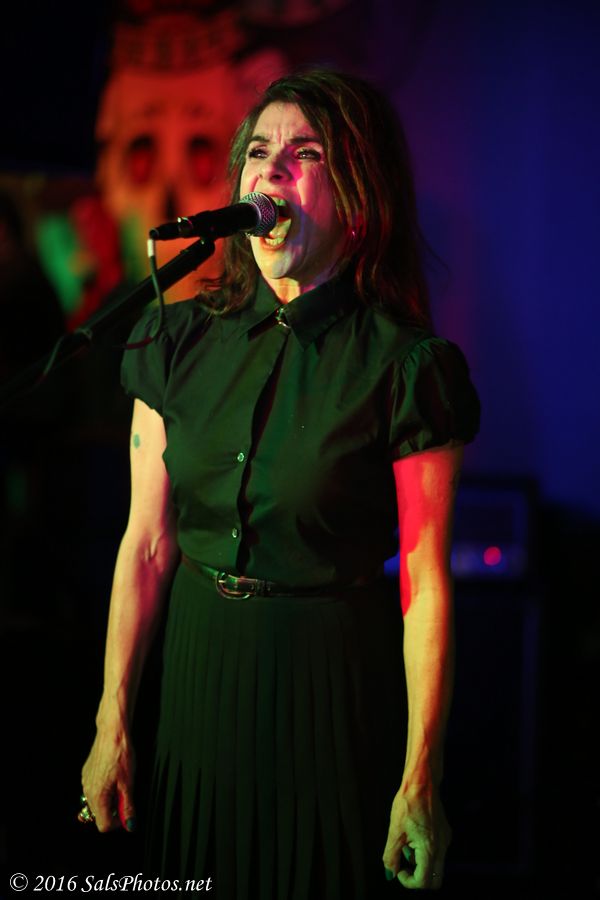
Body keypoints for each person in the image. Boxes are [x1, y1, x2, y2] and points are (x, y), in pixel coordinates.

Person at [80, 69, 480, 897]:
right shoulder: (175, 340)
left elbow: (426, 584)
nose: (272, 170)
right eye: (259, 152)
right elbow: (146, 545)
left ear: (359, 196)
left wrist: (422, 776)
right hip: (198, 680)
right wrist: (111, 717)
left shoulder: (405, 367)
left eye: (306, 154)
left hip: (328, 691)